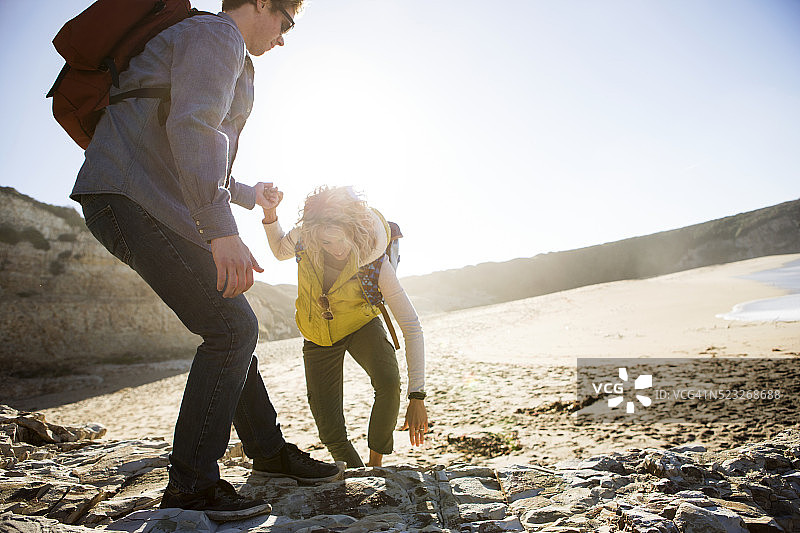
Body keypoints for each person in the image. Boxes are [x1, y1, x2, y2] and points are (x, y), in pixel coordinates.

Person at [70, 0, 340, 521]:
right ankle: (192, 484)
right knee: (231, 330)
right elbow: (193, 129)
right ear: (262, 2)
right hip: (131, 199)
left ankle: (267, 451)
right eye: (286, 22)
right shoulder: (216, 36)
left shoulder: (211, 40)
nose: (284, 38)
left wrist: (247, 193)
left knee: (232, 324)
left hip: (137, 196)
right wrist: (223, 231)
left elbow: (183, 138)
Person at [257, 185, 428, 468]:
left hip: (362, 324)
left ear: (354, 232)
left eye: (341, 241)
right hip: (318, 336)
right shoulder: (304, 239)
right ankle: (356, 472)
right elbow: (278, 251)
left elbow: (411, 325)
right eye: (326, 243)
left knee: (388, 381)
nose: (335, 250)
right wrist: (270, 213)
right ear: (314, 237)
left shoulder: (377, 263)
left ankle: (375, 466)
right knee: (330, 430)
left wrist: (417, 396)